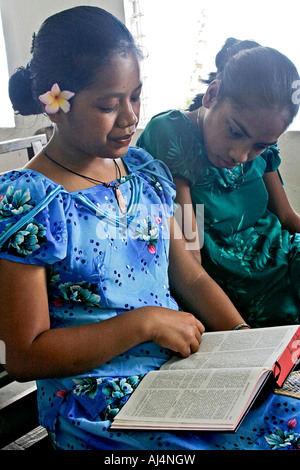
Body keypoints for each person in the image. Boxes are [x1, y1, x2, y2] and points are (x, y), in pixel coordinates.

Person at [0, 9, 299, 450]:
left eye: (135, 98)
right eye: (108, 105)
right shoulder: (27, 202)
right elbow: (25, 355)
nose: (129, 119)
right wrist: (144, 324)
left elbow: (192, 275)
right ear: (56, 103)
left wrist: (247, 347)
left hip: (176, 373)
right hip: (99, 402)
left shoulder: (147, 174)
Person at [138, 37, 300, 329]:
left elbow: (287, 217)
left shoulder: (262, 143)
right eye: (235, 132)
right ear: (212, 95)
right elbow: (191, 254)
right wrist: (242, 340)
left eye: (260, 145)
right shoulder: (173, 137)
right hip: (224, 288)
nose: (240, 155)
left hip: (282, 260)